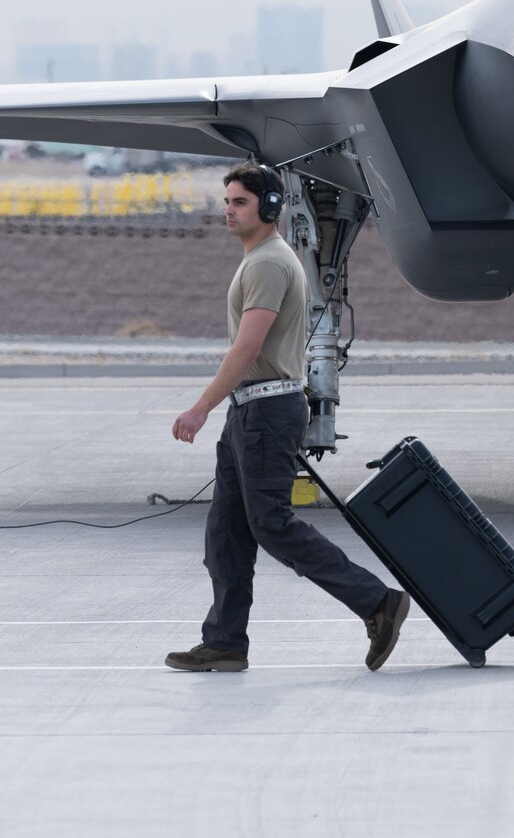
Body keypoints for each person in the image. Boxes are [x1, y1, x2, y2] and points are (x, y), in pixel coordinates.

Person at [164, 164, 410, 673]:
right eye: (227, 201)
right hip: (249, 411)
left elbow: (248, 345)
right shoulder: (259, 260)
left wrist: (200, 407)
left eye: (239, 202)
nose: (228, 210)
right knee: (225, 536)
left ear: (270, 207)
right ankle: (226, 642)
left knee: (271, 523)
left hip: (266, 410)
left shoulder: (268, 264)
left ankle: (377, 603)